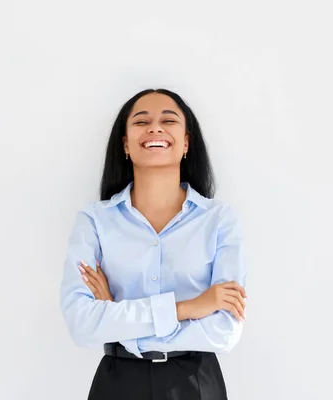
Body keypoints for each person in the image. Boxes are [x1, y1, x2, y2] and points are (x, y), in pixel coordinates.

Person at [60, 88, 248, 400]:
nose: (155, 128)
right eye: (141, 121)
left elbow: (224, 332)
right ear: (126, 144)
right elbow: (82, 323)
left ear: (186, 141)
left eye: (168, 120)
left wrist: (117, 317)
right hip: (118, 384)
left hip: (196, 384)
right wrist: (188, 308)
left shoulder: (219, 221)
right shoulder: (94, 221)